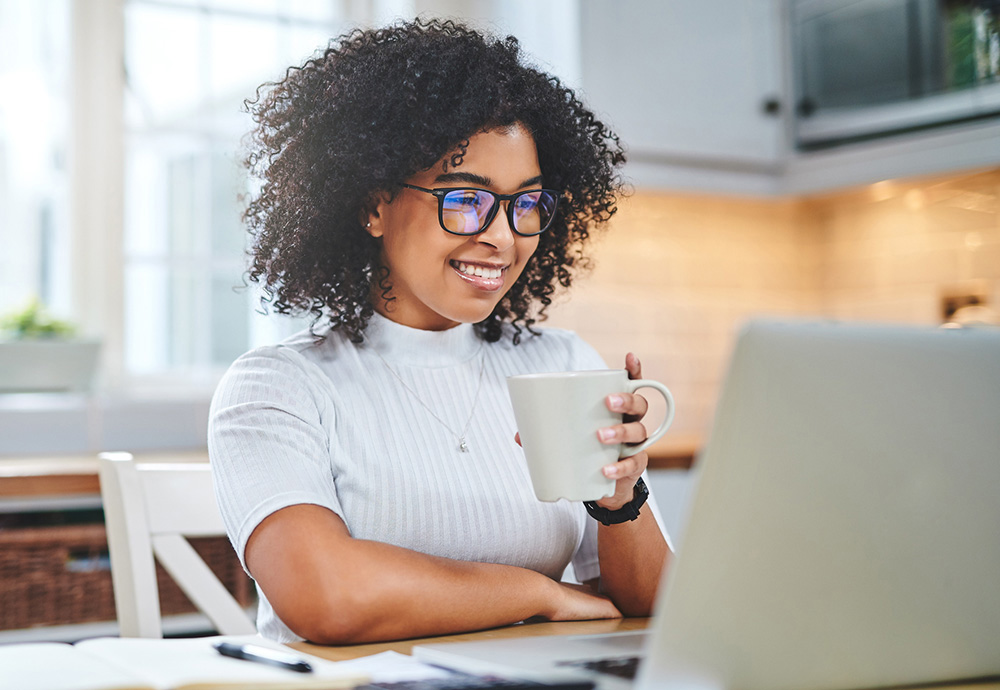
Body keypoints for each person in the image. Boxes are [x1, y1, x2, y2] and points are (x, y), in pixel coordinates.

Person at [209, 18, 670, 645]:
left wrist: (620, 501)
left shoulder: (561, 362)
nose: (503, 237)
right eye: (464, 198)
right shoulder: (279, 387)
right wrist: (537, 593)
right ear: (374, 205)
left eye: (527, 203)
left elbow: (648, 607)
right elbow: (327, 596)